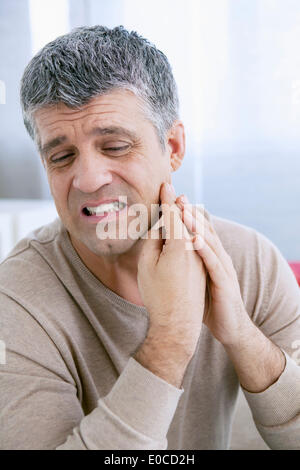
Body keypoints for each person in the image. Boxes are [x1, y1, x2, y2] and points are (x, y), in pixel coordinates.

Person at [0, 25, 299, 451]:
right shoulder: (16, 298)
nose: (87, 179)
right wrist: (171, 339)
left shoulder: (250, 260)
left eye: (116, 146)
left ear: (173, 146)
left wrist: (243, 336)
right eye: (62, 156)